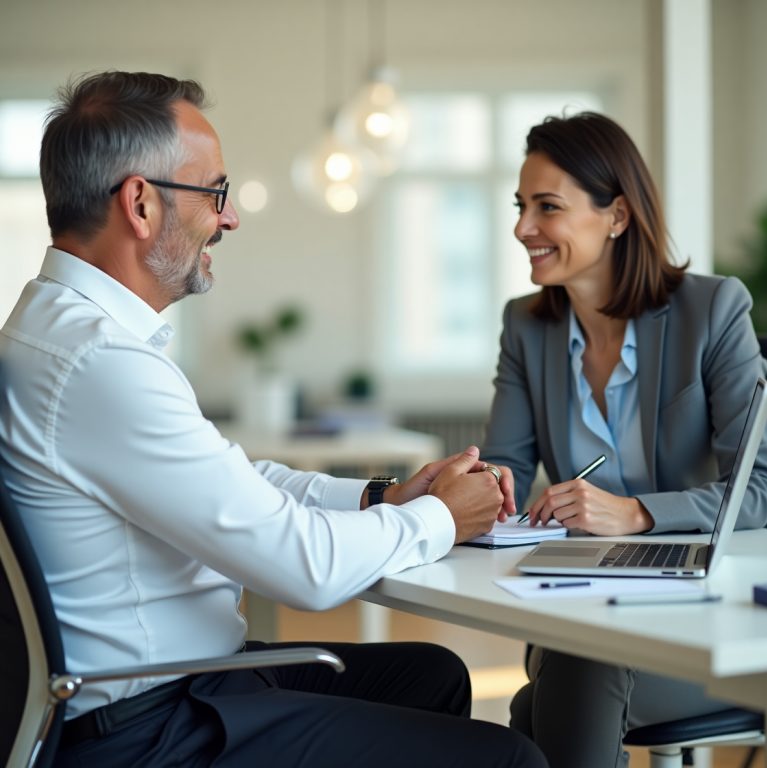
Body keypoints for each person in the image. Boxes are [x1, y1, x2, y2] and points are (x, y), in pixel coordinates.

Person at [0, 71, 546, 768]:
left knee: (430, 676)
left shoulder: (56, 328)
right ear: (140, 203)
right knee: (512, 760)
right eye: (215, 192)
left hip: (170, 686)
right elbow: (304, 569)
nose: (228, 218)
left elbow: (229, 478)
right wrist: (443, 519)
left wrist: (382, 497)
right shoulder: (101, 362)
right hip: (151, 729)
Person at [481, 111, 767, 768]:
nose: (523, 228)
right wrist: (481, 487)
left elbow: (762, 485)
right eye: (521, 206)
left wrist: (637, 513)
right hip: (573, 611)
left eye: (546, 207)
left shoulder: (714, 311)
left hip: (706, 617)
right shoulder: (528, 328)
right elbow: (504, 463)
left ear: (616, 216)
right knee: (559, 686)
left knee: (544, 704)